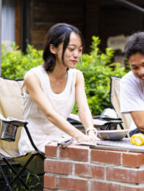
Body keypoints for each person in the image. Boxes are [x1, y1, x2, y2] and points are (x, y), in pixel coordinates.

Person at [18, 23, 99, 157]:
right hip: (35, 144)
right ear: (53, 49)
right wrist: (79, 136)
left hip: (64, 141)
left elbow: (83, 109)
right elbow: (50, 114)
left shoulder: (77, 76)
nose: (76, 55)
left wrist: (90, 131)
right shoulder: (33, 77)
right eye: (71, 49)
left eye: (79, 50)